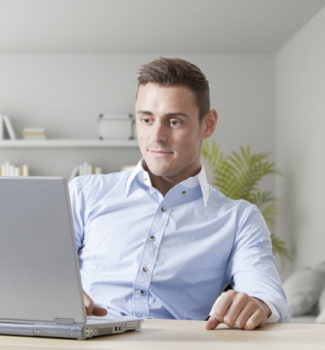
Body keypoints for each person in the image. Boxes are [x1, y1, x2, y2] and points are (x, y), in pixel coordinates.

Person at [68, 57, 290, 330]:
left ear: (207, 124)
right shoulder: (84, 194)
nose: (157, 135)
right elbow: (33, 272)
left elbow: (267, 295)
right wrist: (55, 293)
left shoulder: (239, 219)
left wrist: (257, 304)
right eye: (146, 119)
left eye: (174, 122)